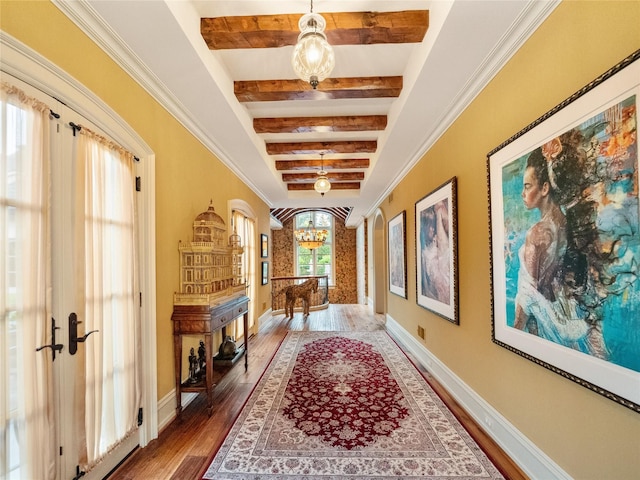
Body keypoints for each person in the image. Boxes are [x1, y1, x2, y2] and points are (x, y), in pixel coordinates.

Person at [513, 142, 607, 355]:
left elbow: (532, 295)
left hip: (549, 326)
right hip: (572, 322)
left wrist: (514, 335)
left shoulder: (538, 233)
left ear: (545, 188)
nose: (523, 193)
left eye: (527, 186)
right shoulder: (569, 225)